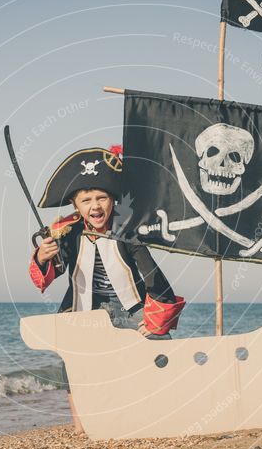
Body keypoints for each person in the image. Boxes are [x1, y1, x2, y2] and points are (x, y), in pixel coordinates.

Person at [29, 145, 185, 432]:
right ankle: (80, 424)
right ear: (76, 205)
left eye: (102, 198)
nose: (95, 206)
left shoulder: (128, 227)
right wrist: (43, 256)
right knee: (74, 361)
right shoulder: (66, 231)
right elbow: (53, 271)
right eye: (86, 200)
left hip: (131, 303)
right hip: (83, 307)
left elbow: (150, 272)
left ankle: (159, 411)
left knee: (160, 349)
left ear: (113, 200)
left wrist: (155, 320)